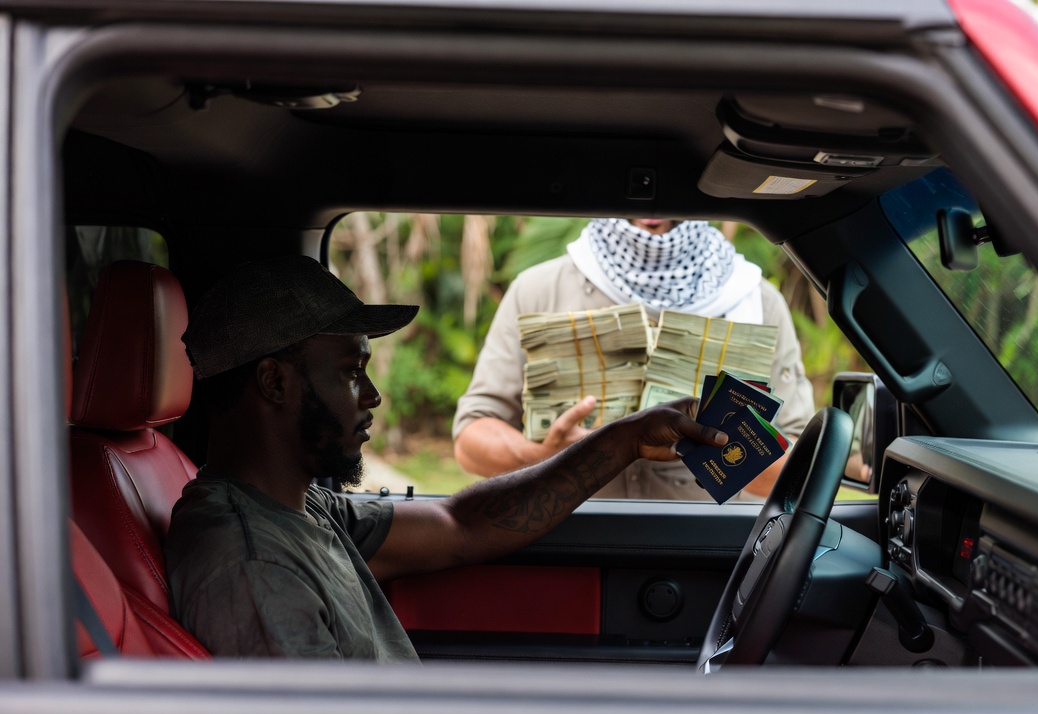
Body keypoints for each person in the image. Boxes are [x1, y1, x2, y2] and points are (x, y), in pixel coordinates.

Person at [164, 255, 726, 661]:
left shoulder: (300, 506)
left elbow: (460, 526)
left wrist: (624, 440)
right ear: (274, 382)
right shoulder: (254, 562)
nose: (373, 397)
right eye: (351, 372)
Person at [452, 218, 815, 500]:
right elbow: (471, 441)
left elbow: (802, 462)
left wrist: (730, 450)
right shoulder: (538, 289)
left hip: (713, 556)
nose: (650, 215)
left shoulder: (756, 300)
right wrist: (542, 453)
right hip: (571, 549)